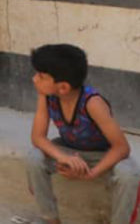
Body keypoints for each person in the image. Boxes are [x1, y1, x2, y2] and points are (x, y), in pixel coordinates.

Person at [25, 44, 140, 224]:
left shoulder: (92, 103)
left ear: (63, 87)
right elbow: (38, 138)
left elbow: (121, 148)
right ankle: (51, 219)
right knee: (34, 158)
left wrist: (92, 173)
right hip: (69, 150)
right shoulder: (47, 96)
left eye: (41, 76)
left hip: (103, 156)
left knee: (129, 175)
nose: (34, 79)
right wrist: (63, 157)